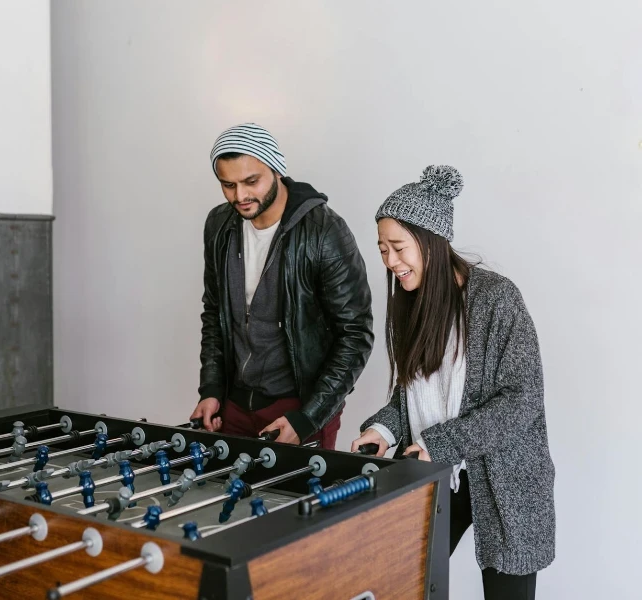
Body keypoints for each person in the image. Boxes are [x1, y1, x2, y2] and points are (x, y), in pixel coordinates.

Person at [351, 166, 555, 599]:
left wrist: (440, 444)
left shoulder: (496, 298)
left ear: (431, 241)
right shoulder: (412, 303)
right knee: (399, 583)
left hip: (505, 480)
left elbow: (522, 400)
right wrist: (382, 428)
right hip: (439, 474)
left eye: (398, 248)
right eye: (382, 249)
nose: (390, 262)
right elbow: (411, 392)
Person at [190, 123, 374, 448]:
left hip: (299, 411)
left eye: (251, 181)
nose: (240, 196)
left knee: (297, 500)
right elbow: (214, 313)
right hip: (232, 407)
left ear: (277, 170)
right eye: (227, 185)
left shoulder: (325, 232)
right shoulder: (218, 225)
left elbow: (355, 335)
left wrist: (308, 417)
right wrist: (212, 389)